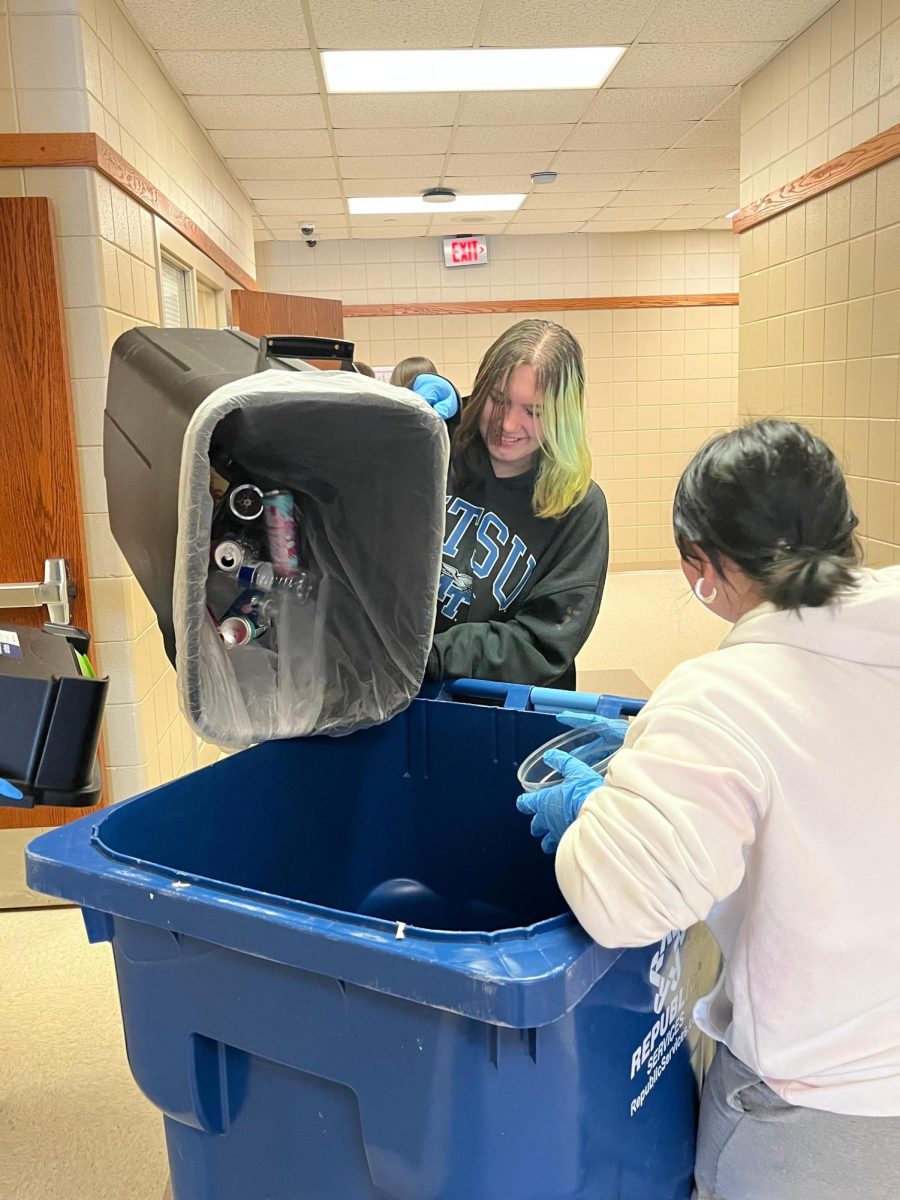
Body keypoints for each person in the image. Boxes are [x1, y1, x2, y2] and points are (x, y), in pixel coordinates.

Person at [517, 419, 900, 1199]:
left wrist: (598, 813)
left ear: (706, 568)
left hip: (815, 1115)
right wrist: (658, 750)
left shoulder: (723, 697)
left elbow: (620, 902)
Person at [425, 319, 608, 689]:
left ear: (562, 416)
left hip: (500, 705)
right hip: (407, 688)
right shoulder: (434, 452)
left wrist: (431, 655)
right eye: (498, 399)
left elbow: (541, 644)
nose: (508, 424)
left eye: (534, 412)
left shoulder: (580, 508)